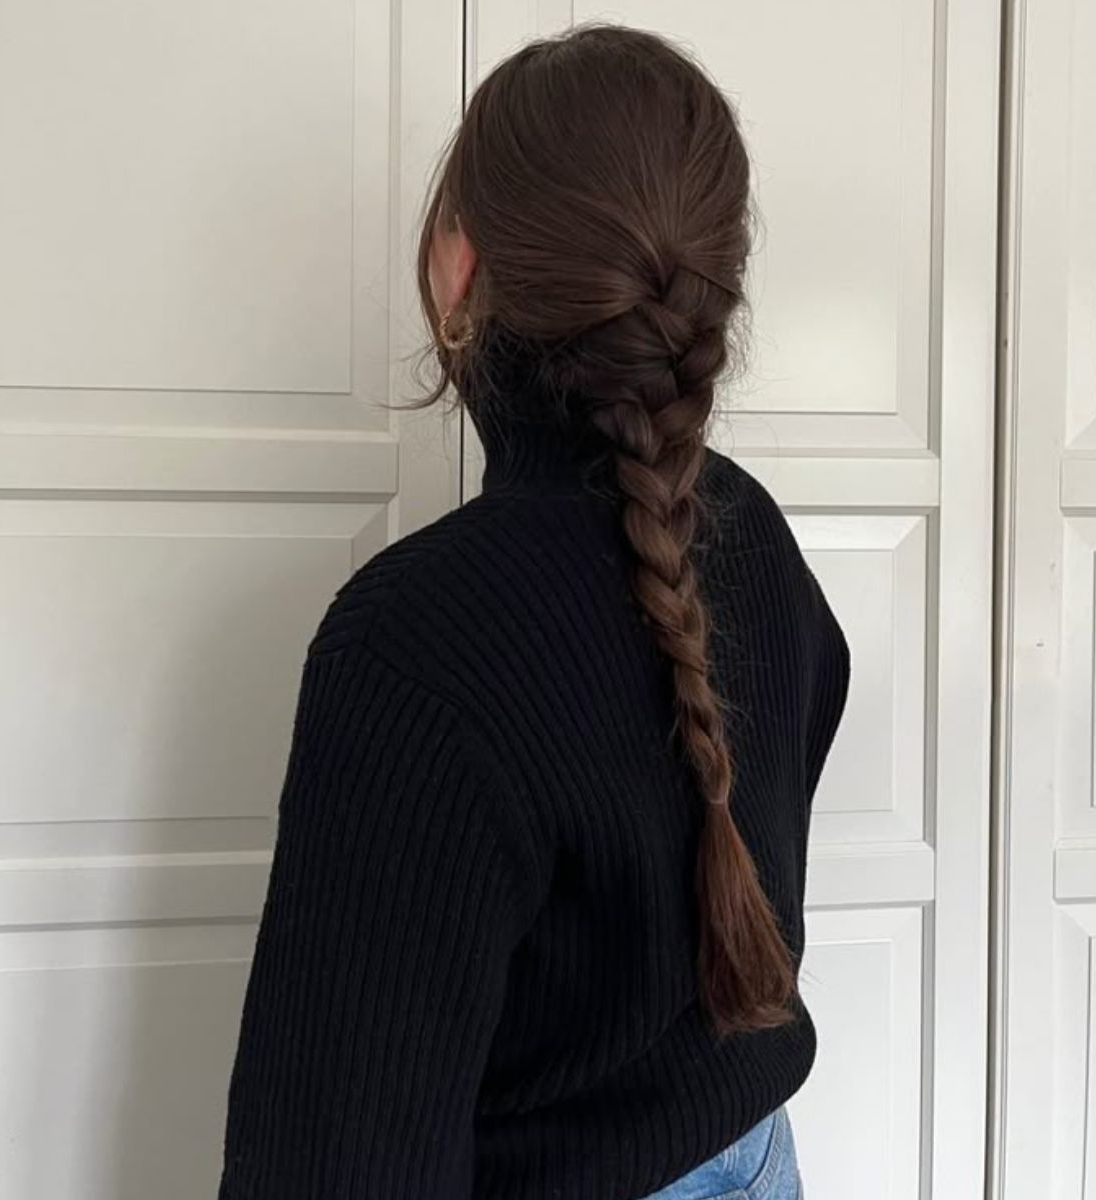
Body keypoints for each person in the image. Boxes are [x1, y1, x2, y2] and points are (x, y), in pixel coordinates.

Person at [216, 21, 850, 1200]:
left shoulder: (414, 643)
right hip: (759, 1161)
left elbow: (334, 1157)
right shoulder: (749, 532)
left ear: (459, 269)